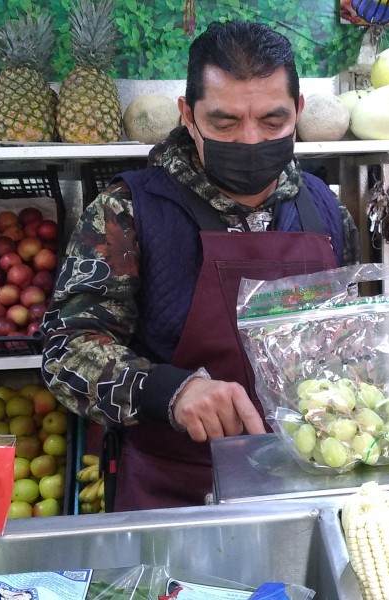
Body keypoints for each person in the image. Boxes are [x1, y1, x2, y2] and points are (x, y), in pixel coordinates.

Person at [40, 20, 360, 510]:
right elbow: (68, 351)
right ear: (188, 115)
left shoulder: (324, 207)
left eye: (272, 122)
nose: (251, 141)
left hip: (310, 479)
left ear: (298, 110)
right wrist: (171, 390)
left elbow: (348, 331)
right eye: (225, 123)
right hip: (174, 490)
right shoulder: (128, 210)